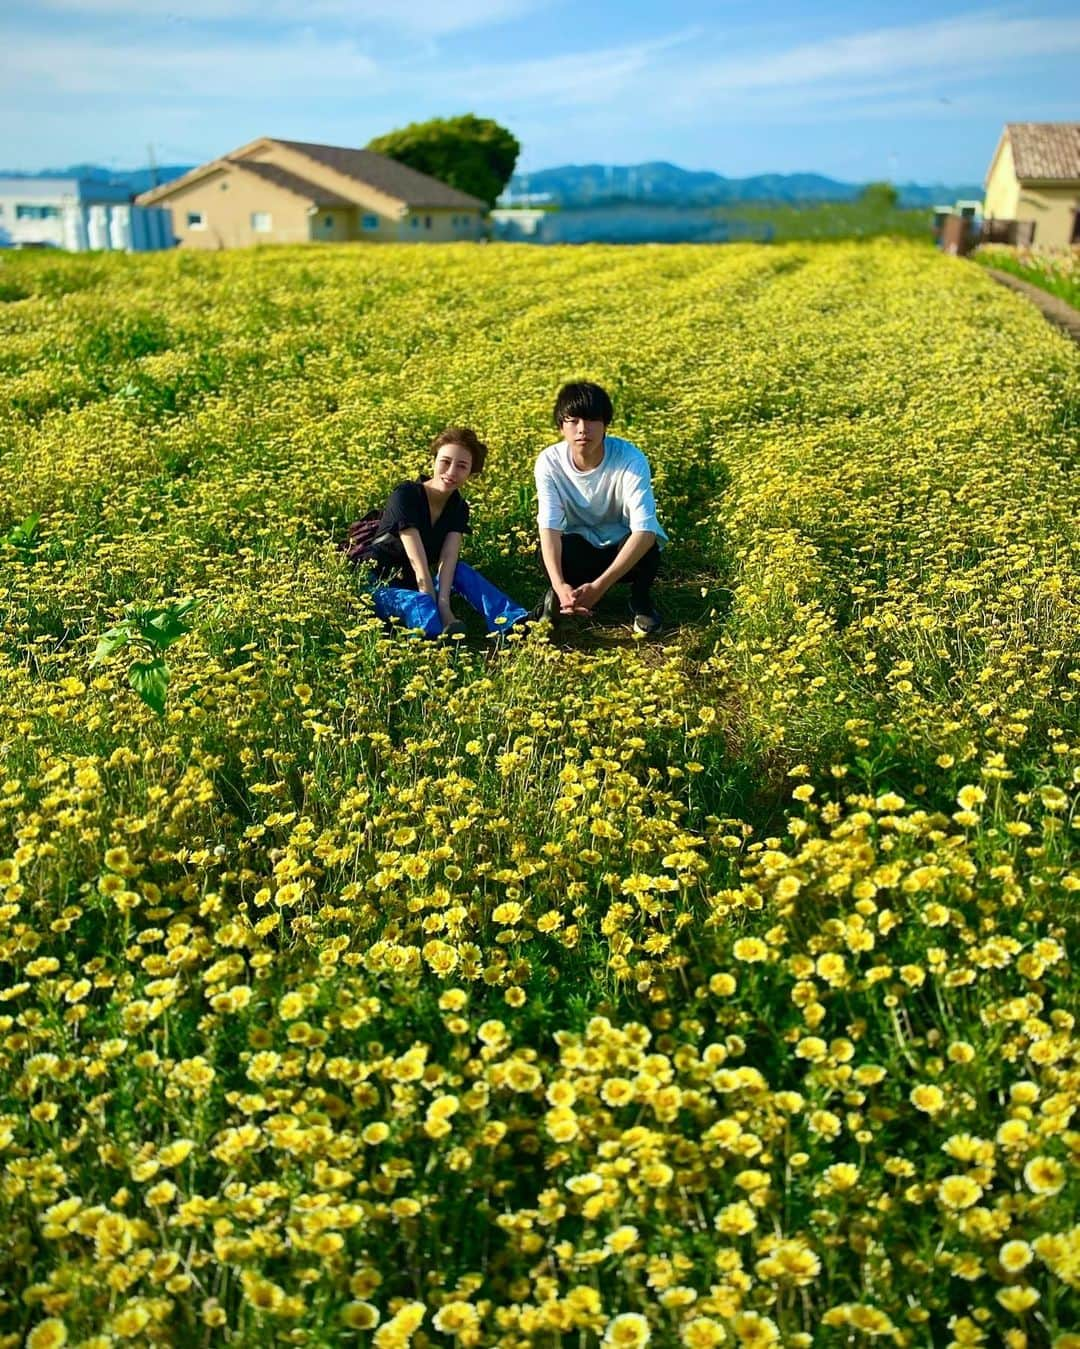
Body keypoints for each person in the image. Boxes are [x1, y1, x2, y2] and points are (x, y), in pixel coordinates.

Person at [360, 428, 528, 639]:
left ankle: (514, 623)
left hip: (412, 582)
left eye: (461, 466)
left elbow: (449, 558)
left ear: (470, 473)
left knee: (461, 570)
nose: (451, 472)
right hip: (377, 580)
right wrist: (438, 608)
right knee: (420, 602)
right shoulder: (406, 494)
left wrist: (444, 605)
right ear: (434, 461)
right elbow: (418, 562)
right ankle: (431, 643)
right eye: (445, 462)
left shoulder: (458, 507)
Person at [535, 381, 667, 634]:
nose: (582, 429)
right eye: (573, 421)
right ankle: (561, 594)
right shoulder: (549, 462)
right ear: (561, 427)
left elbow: (644, 529)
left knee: (647, 546)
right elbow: (548, 527)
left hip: (621, 546)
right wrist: (559, 582)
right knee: (549, 551)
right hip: (580, 546)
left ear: (606, 424)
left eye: (592, 420)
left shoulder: (630, 458)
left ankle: (640, 602)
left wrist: (600, 587)